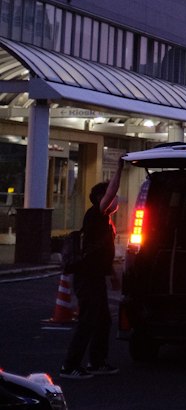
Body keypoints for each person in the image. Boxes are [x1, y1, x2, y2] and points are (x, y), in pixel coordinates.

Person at [59, 160, 122, 379]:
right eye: (112, 197)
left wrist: (112, 275)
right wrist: (120, 167)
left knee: (103, 319)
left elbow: (102, 252)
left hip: (95, 276)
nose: (116, 201)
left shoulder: (104, 221)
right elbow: (112, 190)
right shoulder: (97, 214)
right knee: (87, 320)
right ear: (101, 199)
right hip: (87, 277)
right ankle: (70, 366)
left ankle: (97, 362)